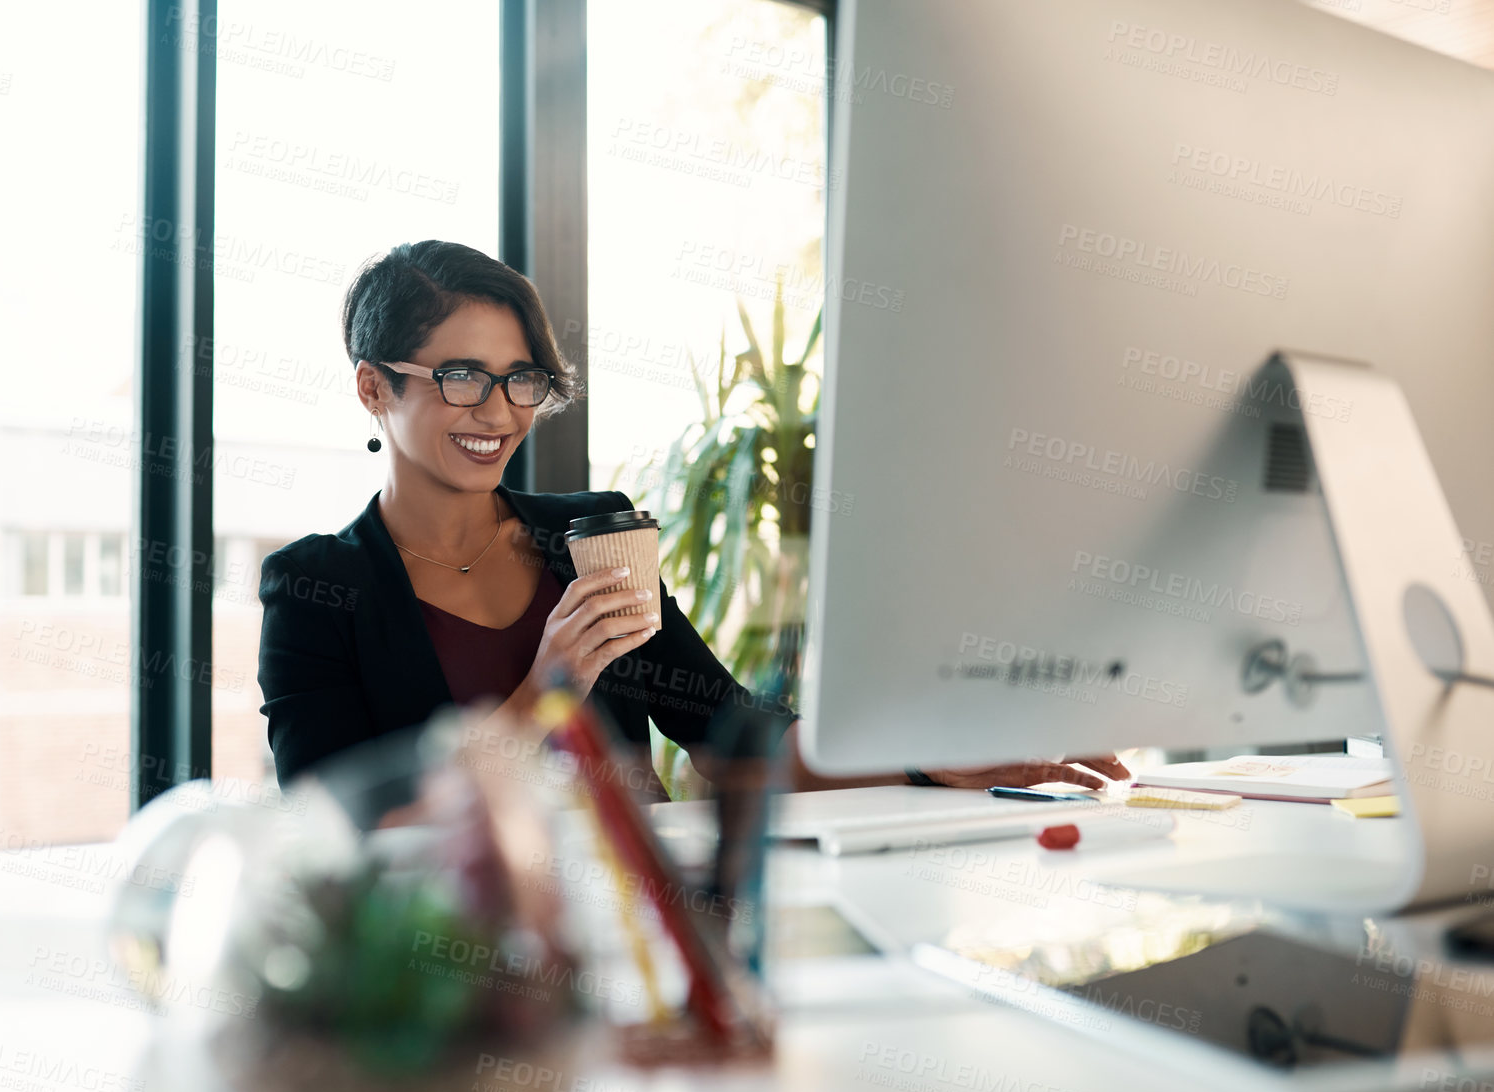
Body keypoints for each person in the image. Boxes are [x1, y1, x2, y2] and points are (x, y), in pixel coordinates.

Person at [256, 240, 1128, 797]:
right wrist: (543, 693)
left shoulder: (590, 536)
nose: (498, 411)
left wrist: (916, 757)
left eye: (520, 379)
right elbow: (340, 826)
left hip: (640, 922)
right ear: (374, 385)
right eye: (461, 377)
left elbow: (728, 736)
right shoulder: (316, 585)